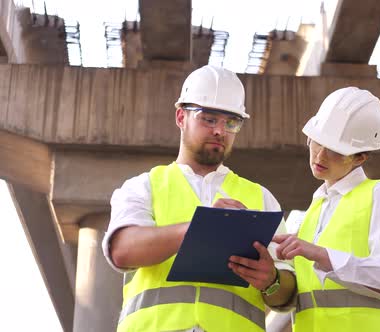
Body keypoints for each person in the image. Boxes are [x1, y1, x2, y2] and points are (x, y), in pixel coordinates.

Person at [102, 65, 295, 332]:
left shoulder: (260, 198)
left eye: (231, 122)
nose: (220, 131)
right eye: (209, 119)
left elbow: (287, 295)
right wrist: (200, 228)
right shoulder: (144, 186)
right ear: (181, 117)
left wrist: (272, 279)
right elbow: (122, 251)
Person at [272, 87, 380, 331]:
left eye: (336, 150)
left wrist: (320, 254)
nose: (320, 156)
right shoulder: (314, 211)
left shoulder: (379, 195)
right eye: (318, 142)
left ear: (360, 158)